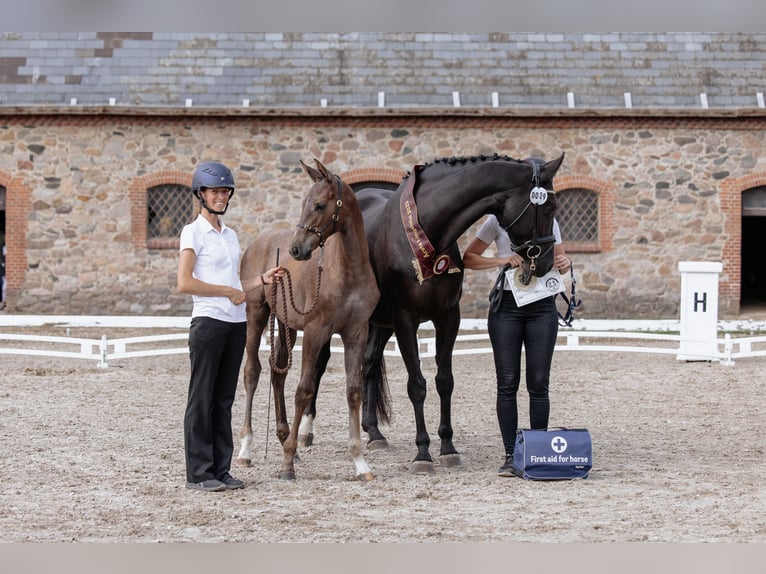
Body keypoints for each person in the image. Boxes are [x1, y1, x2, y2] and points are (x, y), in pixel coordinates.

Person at [177, 161, 283, 492]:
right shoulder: (192, 232)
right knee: (202, 398)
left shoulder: (230, 235)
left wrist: (262, 280)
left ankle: (221, 470)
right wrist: (227, 292)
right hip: (209, 322)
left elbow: (236, 281)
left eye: (225, 192)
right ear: (201, 194)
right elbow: (185, 282)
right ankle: (199, 473)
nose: (221, 196)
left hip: (236, 324)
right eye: (215, 191)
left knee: (223, 399)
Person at [463, 213, 571, 477]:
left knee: (539, 382)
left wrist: (566, 262)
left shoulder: (549, 220)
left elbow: (561, 260)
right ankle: (511, 455)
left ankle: (538, 450)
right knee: (507, 382)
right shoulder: (496, 221)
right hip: (507, 306)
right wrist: (501, 260)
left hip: (542, 303)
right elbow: (469, 258)